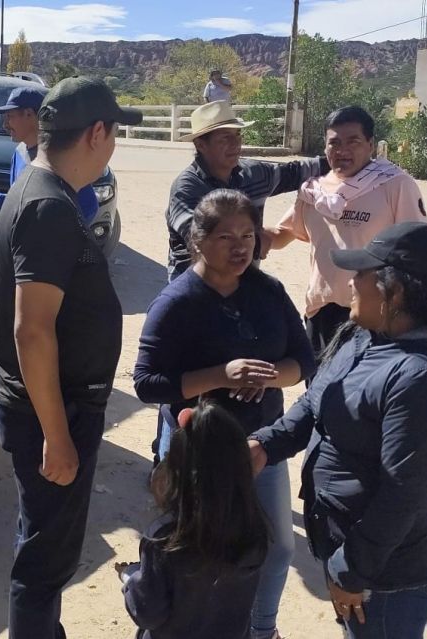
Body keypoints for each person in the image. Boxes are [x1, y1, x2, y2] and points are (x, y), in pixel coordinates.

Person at [249, 222, 427, 639]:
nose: (351, 282)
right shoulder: (367, 334)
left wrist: (350, 569)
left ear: (397, 291)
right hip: (347, 541)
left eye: (363, 274)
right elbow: (317, 400)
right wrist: (266, 444)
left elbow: (403, 491)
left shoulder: (423, 378)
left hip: (385, 571)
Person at [0, 76, 141, 639]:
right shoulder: (47, 206)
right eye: (116, 132)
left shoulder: (41, 189)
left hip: (52, 402)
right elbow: (32, 331)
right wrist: (58, 435)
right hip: (53, 410)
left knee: (41, 538)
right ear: (97, 132)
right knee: (45, 563)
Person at [134, 189, 314, 639]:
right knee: (196, 554)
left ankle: (261, 630)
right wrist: (220, 375)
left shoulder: (268, 291)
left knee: (277, 547)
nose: (240, 247)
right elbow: (146, 383)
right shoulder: (177, 302)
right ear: (197, 241)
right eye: (226, 237)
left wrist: (268, 378)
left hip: (261, 444)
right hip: (198, 452)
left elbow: (304, 361)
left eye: (249, 236)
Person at [262, 106, 427, 359]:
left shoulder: (395, 185)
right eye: (334, 143)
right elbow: (285, 233)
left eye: (353, 141)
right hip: (321, 312)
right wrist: (246, 235)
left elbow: (415, 250)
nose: (342, 151)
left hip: (375, 316)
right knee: (319, 392)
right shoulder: (314, 191)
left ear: (370, 145)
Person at [119, 400, 269, 639]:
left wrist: (131, 579)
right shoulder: (254, 528)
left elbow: (148, 613)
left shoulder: (166, 538)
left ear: (178, 472)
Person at [165, 101, 325, 281]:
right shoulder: (187, 188)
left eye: (238, 134)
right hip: (195, 290)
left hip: (239, 286)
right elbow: (199, 238)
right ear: (201, 145)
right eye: (225, 137)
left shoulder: (253, 174)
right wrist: (256, 242)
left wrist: (345, 160)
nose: (236, 143)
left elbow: (296, 172)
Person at [0, 86, 100, 226]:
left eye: (9, 117)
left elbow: (89, 208)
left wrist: (54, 234)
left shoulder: (60, 157)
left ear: (29, 114)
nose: (5, 124)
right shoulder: (19, 152)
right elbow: (18, 204)